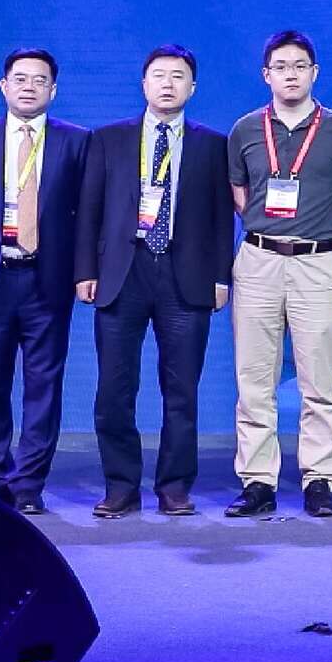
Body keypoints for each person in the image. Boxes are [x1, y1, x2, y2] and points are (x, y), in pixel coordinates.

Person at [74, 47, 232, 518]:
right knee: (114, 388)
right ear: (144, 84)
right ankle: (121, 485)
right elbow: (89, 210)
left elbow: (221, 219)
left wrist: (221, 276)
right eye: (159, 75)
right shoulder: (108, 139)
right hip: (122, 273)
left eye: (178, 76)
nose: (168, 83)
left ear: (192, 88)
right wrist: (85, 270)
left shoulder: (212, 144)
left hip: (187, 277)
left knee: (181, 390)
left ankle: (174, 486)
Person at [226, 32, 332, 520]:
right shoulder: (245, 129)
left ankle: (319, 478)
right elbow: (240, 194)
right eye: (280, 66)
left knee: (319, 378)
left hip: (317, 260)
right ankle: (257, 480)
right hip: (259, 258)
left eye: (300, 66)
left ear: (314, 73)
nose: (290, 74)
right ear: (266, 75)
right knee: (254, 377)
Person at [0, 47, 86, 514]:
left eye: (39, 80)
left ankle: (28, 483)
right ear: (3, 86)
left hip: (47, 280)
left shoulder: (76, 141)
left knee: (43, 386)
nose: (29, 87)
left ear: (53, 90)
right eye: (21, 78)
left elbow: (83, 213)